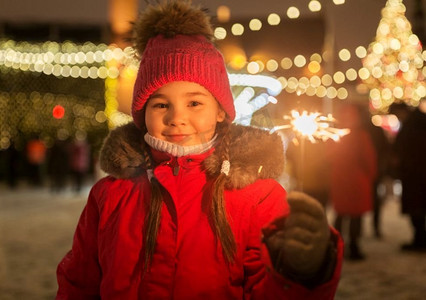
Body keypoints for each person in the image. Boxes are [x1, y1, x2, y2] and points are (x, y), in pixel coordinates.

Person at [56, 1, 343, 299]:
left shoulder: (258, 197)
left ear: (220, 111)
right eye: (161, 104)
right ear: (142, 114)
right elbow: (79, 281)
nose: (176, 117)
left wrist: (301, 273)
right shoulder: (110, 195)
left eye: (194, 103)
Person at [328, 103, 377, 260]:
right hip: (356, 180)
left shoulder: (336, 135)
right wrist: (371, 174)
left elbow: (328, 157)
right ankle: (353, 247)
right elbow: (369, 159)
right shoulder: (360, 136)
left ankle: (336, 246)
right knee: (355, 216)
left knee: (341, 214)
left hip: (342, 179)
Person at [392, 99, 426, 251]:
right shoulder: (416, 122)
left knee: (417, 209)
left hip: (415, 176)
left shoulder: (413, 126)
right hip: (416, 175)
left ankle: (420, 239)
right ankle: (420, 238)